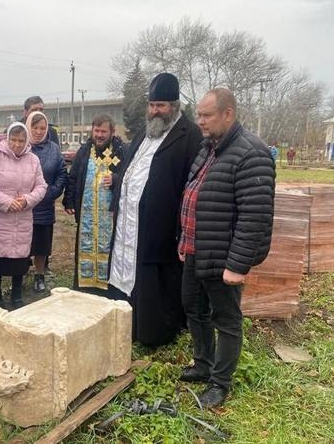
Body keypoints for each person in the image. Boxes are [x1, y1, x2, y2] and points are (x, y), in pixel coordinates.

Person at [178, 88, 275, 408]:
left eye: (206, 115)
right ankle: (203, 364)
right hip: (196, 248)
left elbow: (255, 215)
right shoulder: (211, 148)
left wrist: (238, 264)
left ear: (228, 114)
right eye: (200, 115)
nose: (200, 121)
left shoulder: (251, 153)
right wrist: (184, 239)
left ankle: (220, 383)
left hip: (222, 256)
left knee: (226, 319)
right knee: (193, 308)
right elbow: (195, 194)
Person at [109, 73, 202, 346]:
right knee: (126, 270)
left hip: (160, 224)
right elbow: (128, 170)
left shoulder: (190, 135)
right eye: (151, 105)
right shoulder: (143, 133)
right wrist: (117, 203)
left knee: (155, 277)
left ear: (174, 105)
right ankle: (125, 324)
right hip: (129, 221)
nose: (154, 111)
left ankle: (153, 331)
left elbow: (192, 181)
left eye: (160, 105)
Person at [0, 123, 47, 309]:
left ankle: (17, 294)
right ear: (7, 138)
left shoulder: (33, 160)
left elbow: (41, 186)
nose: (17, 144)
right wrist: (7, 202)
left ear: (27, 141)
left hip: (22, 217)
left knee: (19, 258)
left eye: (21, 140)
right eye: (14, 140)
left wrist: (27, 200)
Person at [62, 113, 126, 296]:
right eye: (96, 130)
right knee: (86, 247)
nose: (99, 135)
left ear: (112, 132)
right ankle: (85, 288)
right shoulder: (84, 151)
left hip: (110, 216)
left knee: (109, 250)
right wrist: (69, 200)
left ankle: (108, 289)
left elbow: (129, 177)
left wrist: (115, 179)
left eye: (103, 131)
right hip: (87, 216)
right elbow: (73, 177)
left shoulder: (121, 151)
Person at [25, 111, 67, 292]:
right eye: (35, 127)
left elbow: (62, 174)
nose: (38, 131)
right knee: (23, 243)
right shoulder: (21, 146)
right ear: (28, 127)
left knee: (41, 245)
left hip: (44, 206)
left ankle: (39, 275)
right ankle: (19, 275)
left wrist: (51, 193)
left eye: (42, 128)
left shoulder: (54, 149)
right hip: (23, 206)